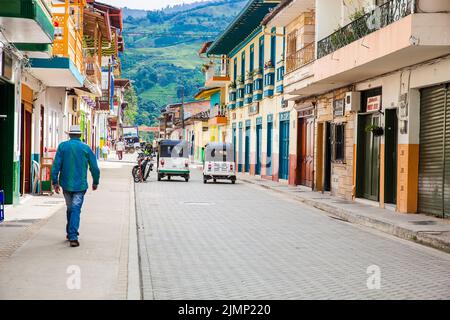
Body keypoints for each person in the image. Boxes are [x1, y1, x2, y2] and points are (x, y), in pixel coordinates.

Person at [51, 125, 100, 248]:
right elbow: (94, 167)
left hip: (66, 184)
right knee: (75, 209)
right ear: (80, 135)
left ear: (69, 135)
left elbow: (56, 165)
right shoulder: (86, 148)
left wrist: (55, 182)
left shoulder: (63, 146)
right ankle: (73, 236)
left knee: (70, 208)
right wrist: (95, 181)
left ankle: (70, 232)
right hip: (80, 185)